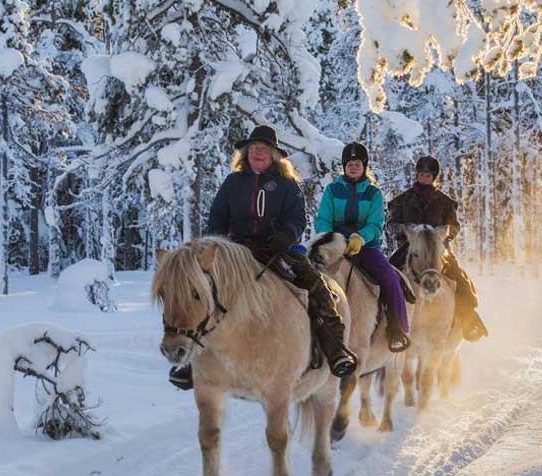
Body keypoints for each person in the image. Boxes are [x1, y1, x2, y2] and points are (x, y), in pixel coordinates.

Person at [168, 125, 358, 390]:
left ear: (274, 155)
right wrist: (215, 245)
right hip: (236, 253)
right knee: (203, 292)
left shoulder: (287, 184)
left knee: (316, 287)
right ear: (246, 153)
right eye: (254, 148)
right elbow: (217, 218)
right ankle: (192, 362)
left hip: (278, 249)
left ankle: (335, 349)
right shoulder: (233, 183)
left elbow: (297, 218)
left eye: (265, 149)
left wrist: (286, 235)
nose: (259, 152)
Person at [315, 142, 412, 352]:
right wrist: (333, 238)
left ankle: (398, 328)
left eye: (357, 163)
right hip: (335, 244)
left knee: (389, 276)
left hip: (366, 246)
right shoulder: (332, 190)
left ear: (364, 165)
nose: (353, 167)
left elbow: (376, 224)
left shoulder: (374, 193)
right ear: (343, 166)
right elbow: (323, 219)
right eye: (349, 163)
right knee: (310, 272)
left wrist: (361, 238)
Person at [386, 155, 488, 342]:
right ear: (416, 175)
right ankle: (387, 323)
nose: (424, 177)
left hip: (438, 250)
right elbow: (390, 226)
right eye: (421, 174)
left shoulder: (445, 202)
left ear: (434, 177)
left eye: (428, 175)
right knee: (388, 275)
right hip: (409, 249)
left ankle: (469, 319)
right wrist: (409, 231)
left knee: (460, 278)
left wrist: (439, 235)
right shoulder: (401, 200)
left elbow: (454, 226)